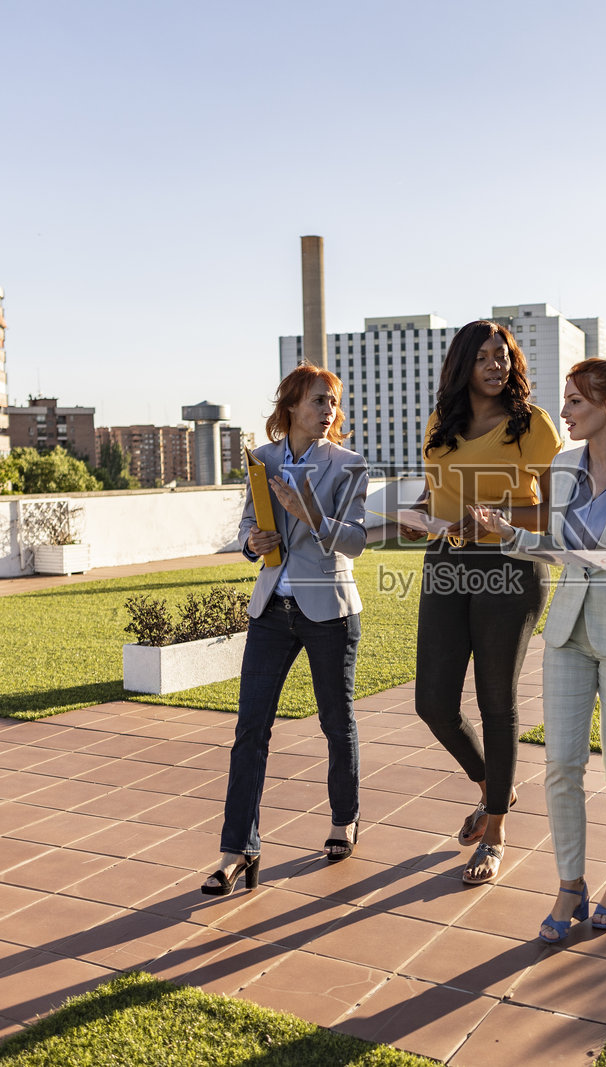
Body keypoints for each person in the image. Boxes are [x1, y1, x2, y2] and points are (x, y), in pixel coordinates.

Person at [472, 352, 606, 941]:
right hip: (568, 633)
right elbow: (560, 548)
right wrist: (508, 534)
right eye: (566, 399)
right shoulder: (563, 465)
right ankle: (570, 884)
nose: (564, 411)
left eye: (575, 401)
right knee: (561, 765)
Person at [203, 362, 369, 896]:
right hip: (272, 609)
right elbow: (246, 531)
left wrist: (312, 514)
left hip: (330, 610)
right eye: (319, 400)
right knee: (250, 729)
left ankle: (344, 819)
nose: (328, 411)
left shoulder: (349, 464)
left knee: (335, 722)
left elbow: (359, 542)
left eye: (333, 403)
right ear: (292, 405)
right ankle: (237, 849)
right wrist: (254, 543)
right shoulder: (262, 460)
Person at [408, 320, 562, 886]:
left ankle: (495, 829)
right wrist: (417, 516)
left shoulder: (533, 426)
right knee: (433, 702)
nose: (496, 365)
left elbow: (549, 512)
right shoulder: (438, 426)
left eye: (504, 356)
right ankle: (493, 785)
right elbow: (433, 495)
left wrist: (493, 523)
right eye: (484, 358)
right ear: (462, 367)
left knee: (496, 701)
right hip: (446, 566)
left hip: (511, 569)